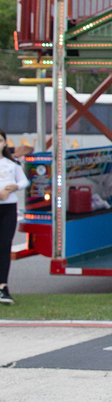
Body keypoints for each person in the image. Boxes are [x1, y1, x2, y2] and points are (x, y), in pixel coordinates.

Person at [0, 129, 28, 306]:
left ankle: (3, 287)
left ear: (5, 143)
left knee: (4, 247)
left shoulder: (12, 163)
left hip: (9, 209)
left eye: (0, 140)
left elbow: (24, 181)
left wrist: (14, 187)